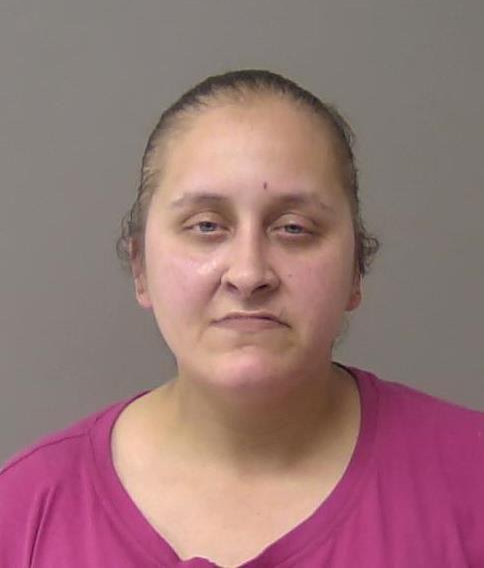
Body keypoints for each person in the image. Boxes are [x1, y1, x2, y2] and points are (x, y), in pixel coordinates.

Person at [0, 69, 482, 568]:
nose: (249, 274)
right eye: (206, 226)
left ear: (356, 269)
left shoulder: (472, 479)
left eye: (294, 228)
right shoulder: (23, 512)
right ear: (140, 267)